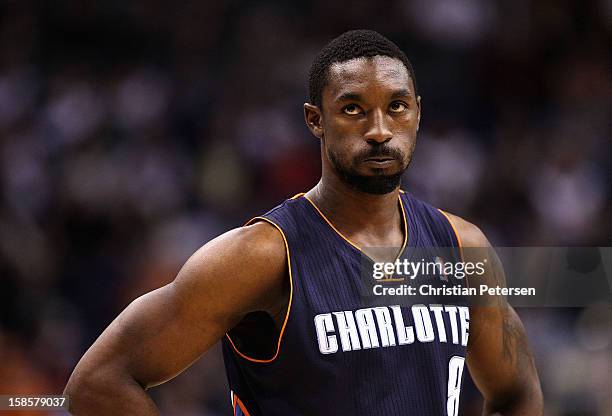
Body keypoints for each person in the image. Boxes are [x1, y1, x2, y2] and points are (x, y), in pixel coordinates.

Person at [64, 30, 543, 415]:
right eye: (353, 109)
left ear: (417, 113)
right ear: (315, 120)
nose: (379, 130)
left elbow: (517, 393)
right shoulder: (261, 256)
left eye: (396, 106)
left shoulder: (460, 248)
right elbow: (97, 382)